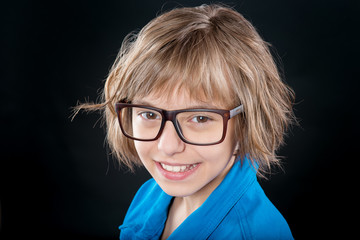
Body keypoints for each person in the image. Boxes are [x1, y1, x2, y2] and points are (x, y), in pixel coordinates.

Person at [76, 4, 295, 239]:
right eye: (149, 114)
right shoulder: (150, 195)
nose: (168, 147)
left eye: (200, 118)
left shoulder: (257, 234)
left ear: (246, 123)